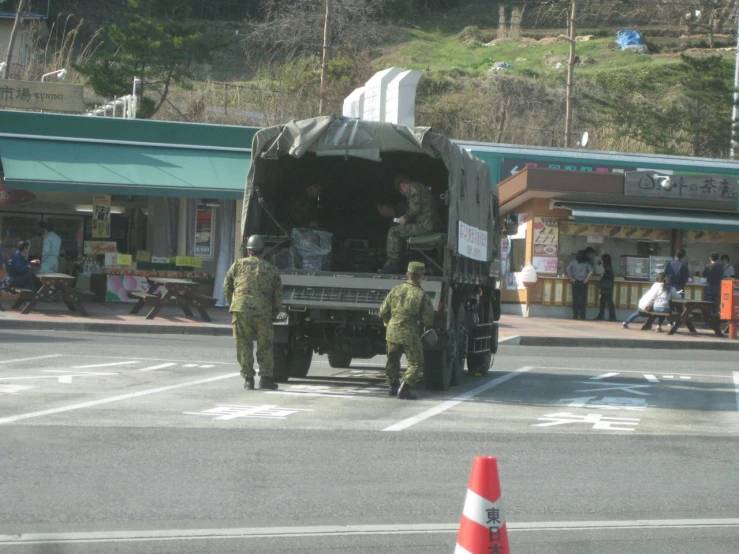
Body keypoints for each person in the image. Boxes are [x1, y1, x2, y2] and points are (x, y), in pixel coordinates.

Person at [223, 235, 283, 391]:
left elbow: (226, 286)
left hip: (241, 309)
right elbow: (277, 296)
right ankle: (266, 379)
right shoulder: (272, 269)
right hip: (263, 311)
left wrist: (234, 303)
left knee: (243, 345)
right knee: (266, 345)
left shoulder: (237, 265)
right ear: (263, 252)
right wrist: (275, 313)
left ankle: (248, 380)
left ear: (248, 251)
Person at [379, 261, 435, 400]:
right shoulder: (422, 295)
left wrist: (386, 321)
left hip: (392, 330)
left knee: (392, 359)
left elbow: (383, 311)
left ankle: (392, 386)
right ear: (421, 276)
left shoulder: (396, 290)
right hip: (409, 332)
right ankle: (405, 386)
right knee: (416, 362)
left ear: (407, 275)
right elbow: (428, 319)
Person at [380, 174, 440, 274]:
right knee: (401, 232)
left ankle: (393, 266)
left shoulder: (413, 187)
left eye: (401, 191)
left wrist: (405, 218)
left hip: (425, 226)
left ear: (402, 185)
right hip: (429, 225)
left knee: (393, 232)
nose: (403, 194)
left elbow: (415, 208)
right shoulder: (421, 187)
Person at [565, 250, 593, 320]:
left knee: (575, 299)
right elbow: (591, 271)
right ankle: (582, 315)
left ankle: (575, 315)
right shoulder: (586, 263)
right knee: (582, 299)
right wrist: (587, 279)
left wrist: (571, 278)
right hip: (583, 283)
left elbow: (568, 269)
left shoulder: (573, 262)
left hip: (575, 282)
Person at [593, 253, 616, 321]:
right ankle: (608, 316)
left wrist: (602, 275)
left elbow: (607, 276)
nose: (601, 261)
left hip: (606, 287)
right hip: (608, 287)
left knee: (607, 302)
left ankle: (608, 316)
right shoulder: (609, 267)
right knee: (605, 302)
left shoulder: (607, 268)